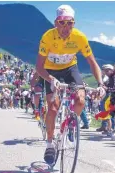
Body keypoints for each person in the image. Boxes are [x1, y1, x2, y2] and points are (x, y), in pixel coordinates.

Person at [35, 4, 105, 164]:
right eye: (62, 22)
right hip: (50, 71)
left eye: (70, 23)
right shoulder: (47, 37)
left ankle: (72, 123)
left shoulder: (79, 37)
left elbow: (92, 62)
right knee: (53, 106)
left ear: (74, 23)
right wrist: (50, 79)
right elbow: (39, 66)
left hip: (70, 69)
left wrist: (101, 84)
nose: (66, 27)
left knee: (81, 99)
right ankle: (50, 144)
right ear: (55, 23)